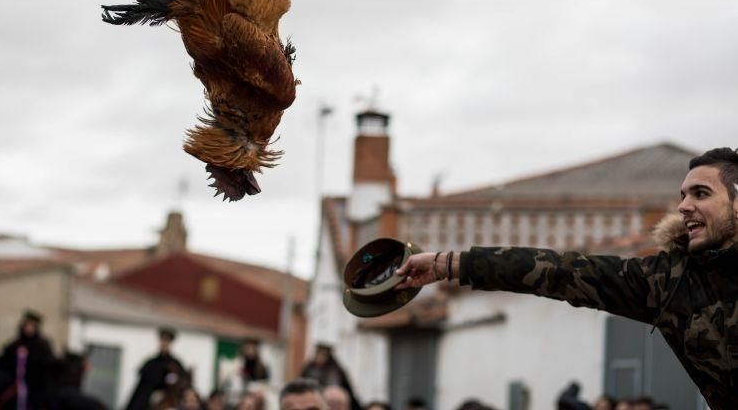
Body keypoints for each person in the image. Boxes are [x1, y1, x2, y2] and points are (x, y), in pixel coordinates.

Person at [396, 147, 738, 410]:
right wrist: (449, 263)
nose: (683, 206)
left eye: (701, 193)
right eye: (683, 195)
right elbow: (560, 271)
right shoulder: (668, 282)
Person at [0, 310, 56, 410]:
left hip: (36, 387)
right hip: (15, 386)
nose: (29, 328)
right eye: (27, 325)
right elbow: (3, 363)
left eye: (32, 326)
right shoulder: (14, 345)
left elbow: (48, 365)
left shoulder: (43, 346)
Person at [124, 327, 190, 410]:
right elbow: (144, 383)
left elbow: (181, 379)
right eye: (163, 340)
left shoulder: (175, 363)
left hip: (170, 396)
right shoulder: (151, 363)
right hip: (153, 394)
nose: (164, 343)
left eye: (167, 341)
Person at [298, 346, 360, 410]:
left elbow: (348, 391)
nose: (320, 358)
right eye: (319, 354)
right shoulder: (309, 368)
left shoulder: (335, 371)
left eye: (323, 355)